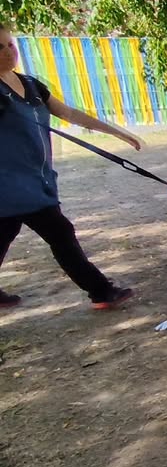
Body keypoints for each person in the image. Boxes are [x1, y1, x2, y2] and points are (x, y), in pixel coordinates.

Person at [0, 25, 140, 308]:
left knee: (5, 234)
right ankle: (101, 291)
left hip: (38, 180)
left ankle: (100, 291)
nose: (8, 52)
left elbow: (68, 113)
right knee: (61, 232)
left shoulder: (31, 84)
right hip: (9, 186)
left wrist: (116, 131)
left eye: (10, 44)